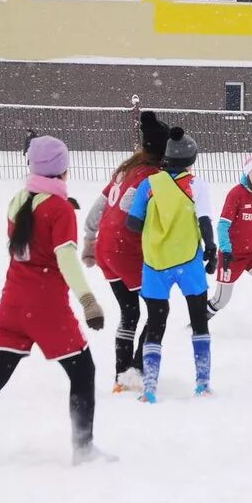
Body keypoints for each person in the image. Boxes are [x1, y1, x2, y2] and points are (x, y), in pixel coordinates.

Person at [0, 136, 110, 467]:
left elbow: (30, 231)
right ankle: (83, 448)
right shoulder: (60, 209)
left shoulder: (17, 200)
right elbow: (66, 258)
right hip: (46, 308)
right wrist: (88, 300)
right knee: (83, 371)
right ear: (63, 169)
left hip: (12, 305)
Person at [125, 126, 218, 403]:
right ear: (191, 159)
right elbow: (204, 220)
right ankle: (202, 384)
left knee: (155, 324)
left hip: (155, 262)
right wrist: (211, 249)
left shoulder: (149, 185)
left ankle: (149, 388)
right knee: (199, 321)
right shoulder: (196, 185)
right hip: (189, 261)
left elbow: (133, 223)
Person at [81, 111, 170, 392]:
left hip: (105, 248)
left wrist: (90, 239)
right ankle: (136, 369)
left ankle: (121, 375)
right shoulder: (155, 177)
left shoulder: (125, 170)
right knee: (158, 309)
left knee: (129, 312)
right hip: (126, 250)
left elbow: (99, 206)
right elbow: (139, 214)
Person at [207, 154, 252, 339]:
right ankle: (197, 322)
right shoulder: (236, 194)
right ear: (248, 172)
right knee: (221, 300)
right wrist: (226, 250)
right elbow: (223, 225)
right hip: (232, 254)